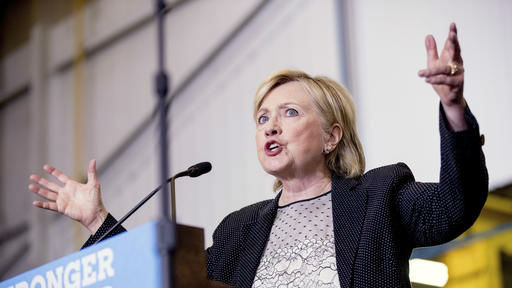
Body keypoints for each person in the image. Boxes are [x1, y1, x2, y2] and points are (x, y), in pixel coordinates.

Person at [29, 23, 488, 287]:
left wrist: (452, 107)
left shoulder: (379, 196)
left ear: (332, 136)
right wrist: (97, 221)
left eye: (289, 112)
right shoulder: (240, 231)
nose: (270, 125)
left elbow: (455, 206)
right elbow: (166, 280)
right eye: (262, 117)